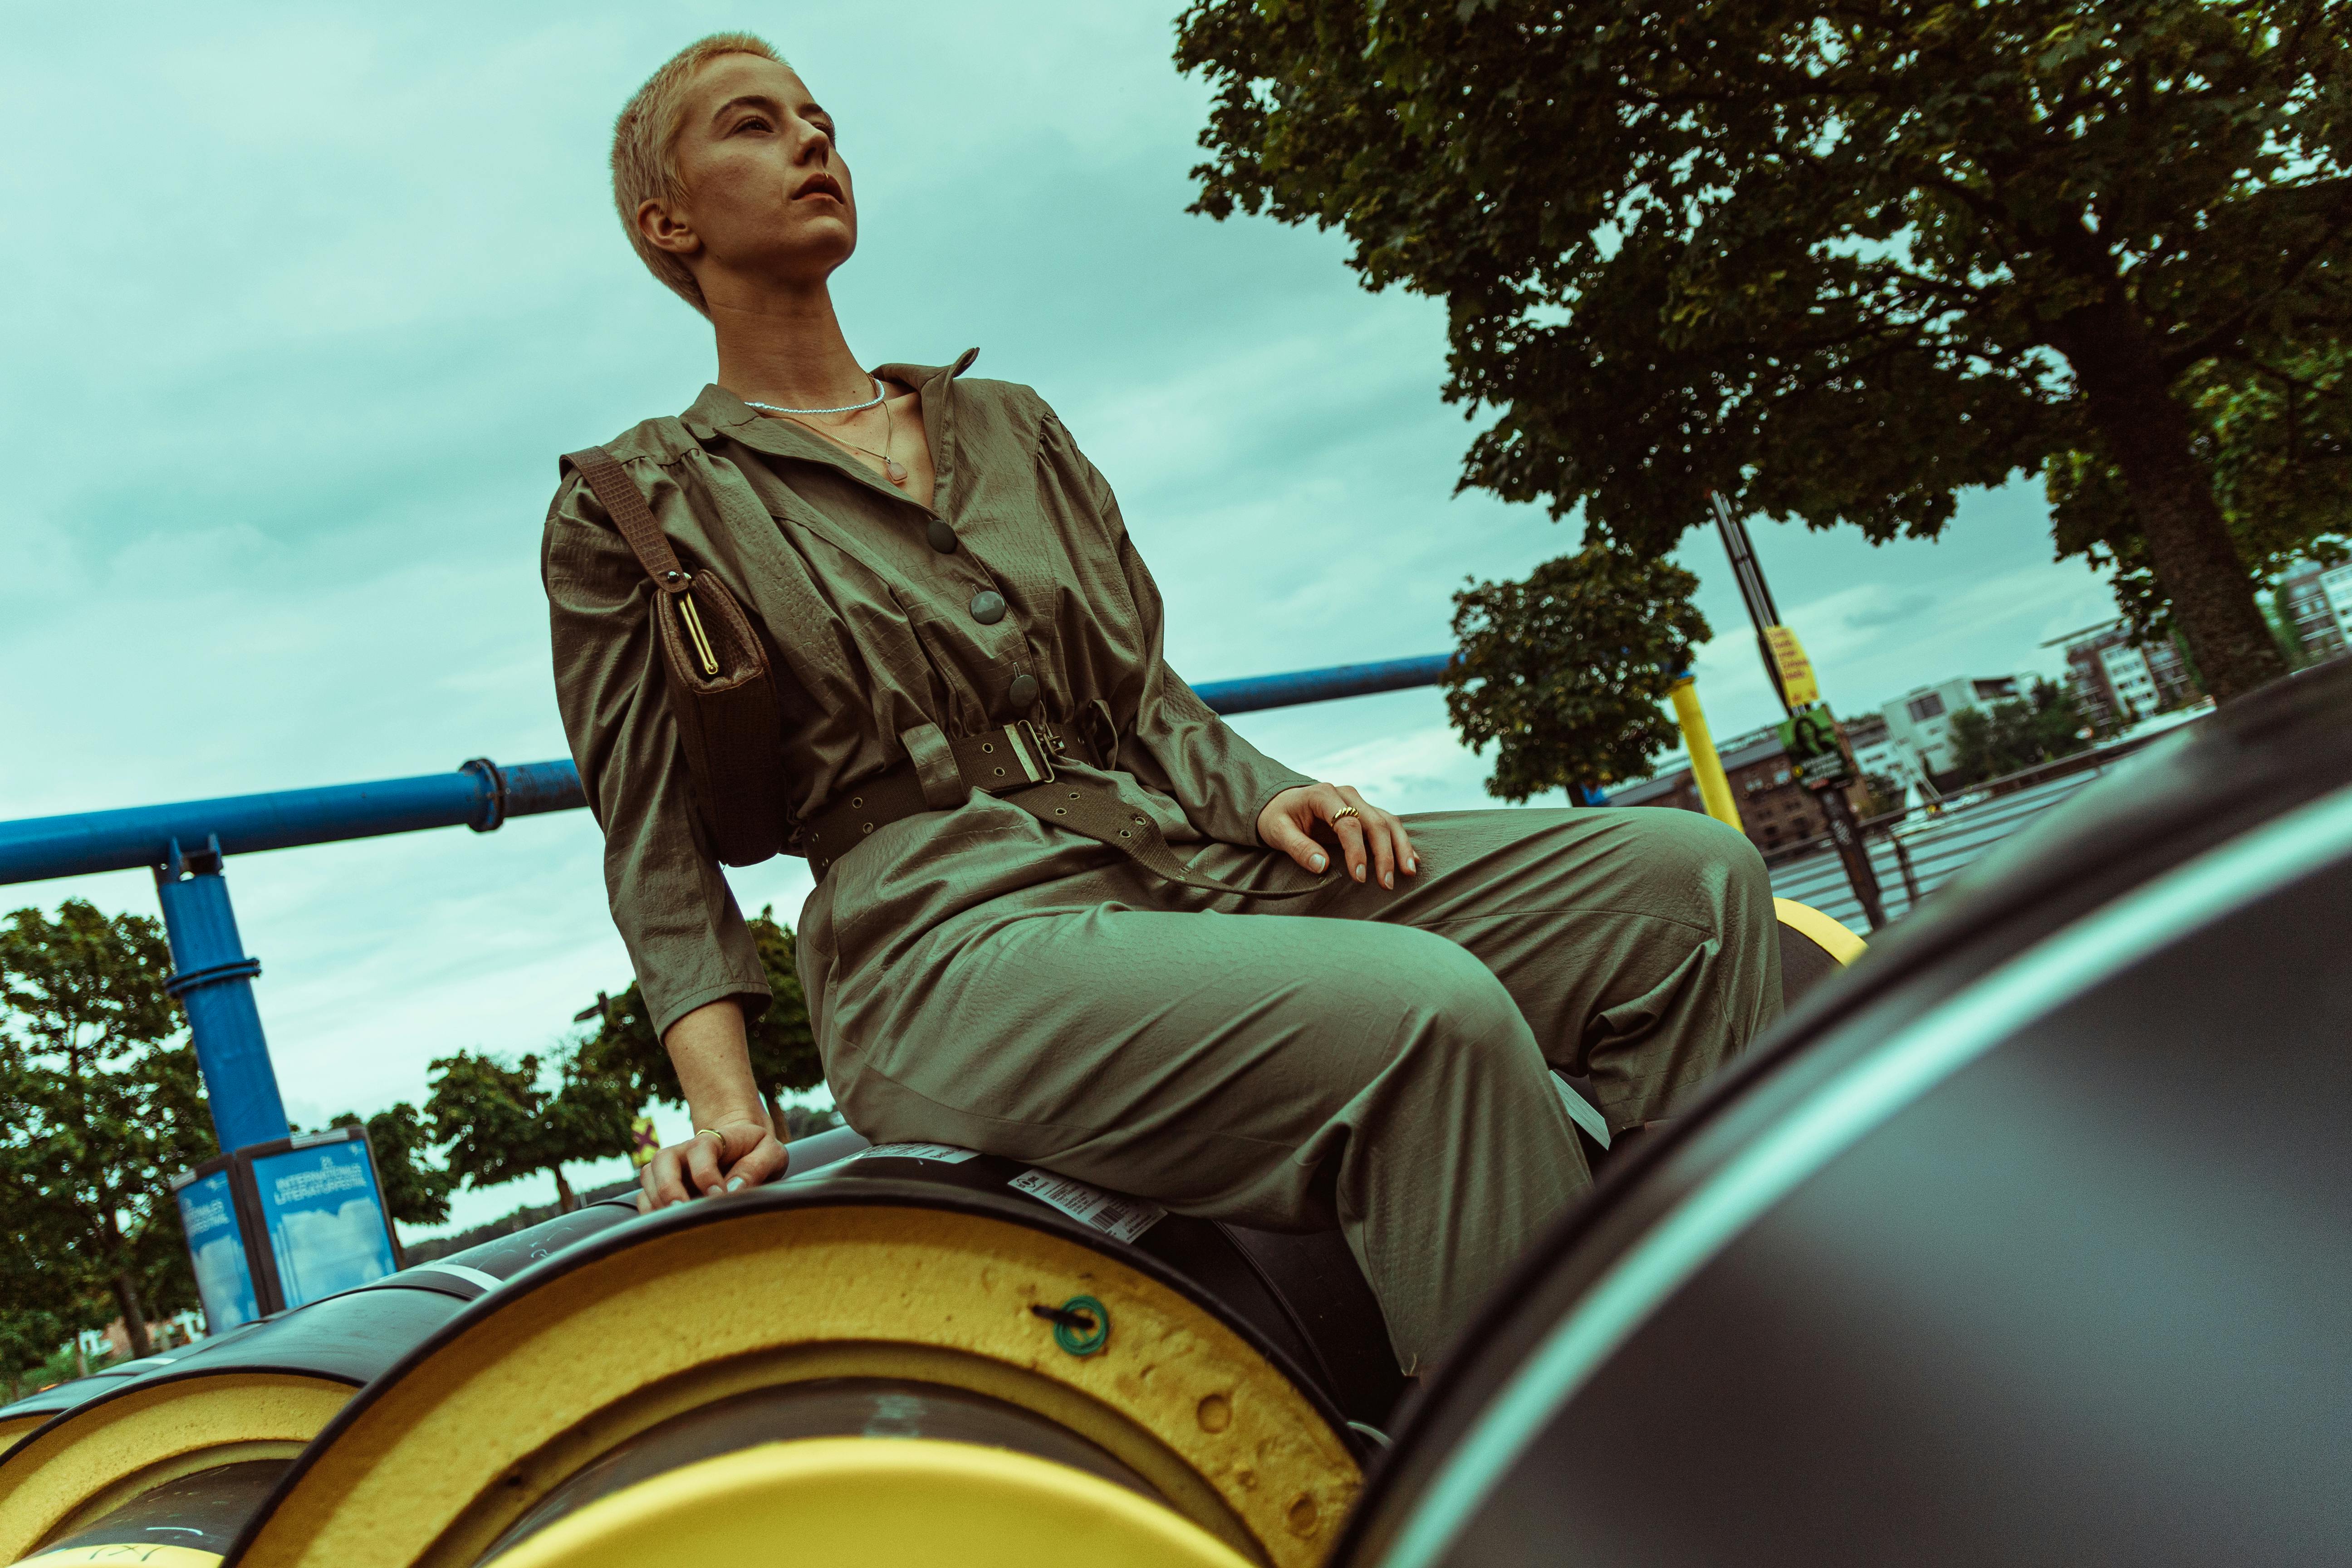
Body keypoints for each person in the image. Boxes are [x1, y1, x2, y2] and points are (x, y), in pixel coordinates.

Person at [544, 33, 1782, 1374]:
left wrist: (1265, 792)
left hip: (1178, 856)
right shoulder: (632, 504)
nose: (811, 142)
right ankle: (1556, 1481)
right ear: (664, 222)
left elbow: (1145, 696)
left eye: (820, 117)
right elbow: (653, 842)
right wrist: (726, 1103)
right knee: (1429, 1015)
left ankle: (1720, 1356)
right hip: (949, 943)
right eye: (753, 125)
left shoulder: (1009, 425)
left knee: (1689, 888)